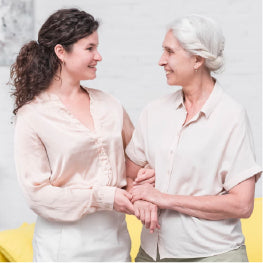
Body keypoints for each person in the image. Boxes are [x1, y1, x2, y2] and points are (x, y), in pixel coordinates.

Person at [10, 8, 152, 262]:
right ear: (61, 52)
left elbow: (137, 162)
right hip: (64, 250)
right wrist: (105, 196)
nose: (98, 56)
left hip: (116, 246)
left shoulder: (109, 104)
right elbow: (38, 195)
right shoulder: (32, 116)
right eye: (90, 48)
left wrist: (144, 184)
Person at [126, 14, 262, 262]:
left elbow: (243, 205)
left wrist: (164, 198)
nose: (161, 61)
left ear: (198, 59)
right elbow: (128, 175)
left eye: (170, 52)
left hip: (215, 254)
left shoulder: (231, 116)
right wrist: (141, 193)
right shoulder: (153, 112)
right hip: (152, 254)